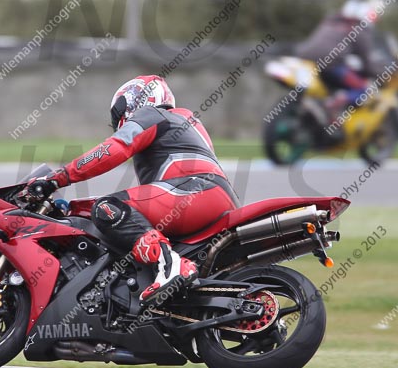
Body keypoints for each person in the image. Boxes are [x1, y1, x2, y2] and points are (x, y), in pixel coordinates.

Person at [24, 75, 240, 306]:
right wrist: (74, 208)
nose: (118, 119)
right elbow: (143, 203)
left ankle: (170, 265)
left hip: (194, 192)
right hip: (212, 196)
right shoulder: (183, 124)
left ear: (139, 98)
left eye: (119, 111)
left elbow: (113, 148)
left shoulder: (153, 115)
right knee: (122, 216)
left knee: (108, 207)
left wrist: (58, 179)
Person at [295, 0, 376, 118]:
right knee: (364, 90)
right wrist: (372, 73)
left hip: (304, 59)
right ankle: (334, 104)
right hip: (331, 65)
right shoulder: (358, 30)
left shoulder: (329, 22)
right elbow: (365, 59)